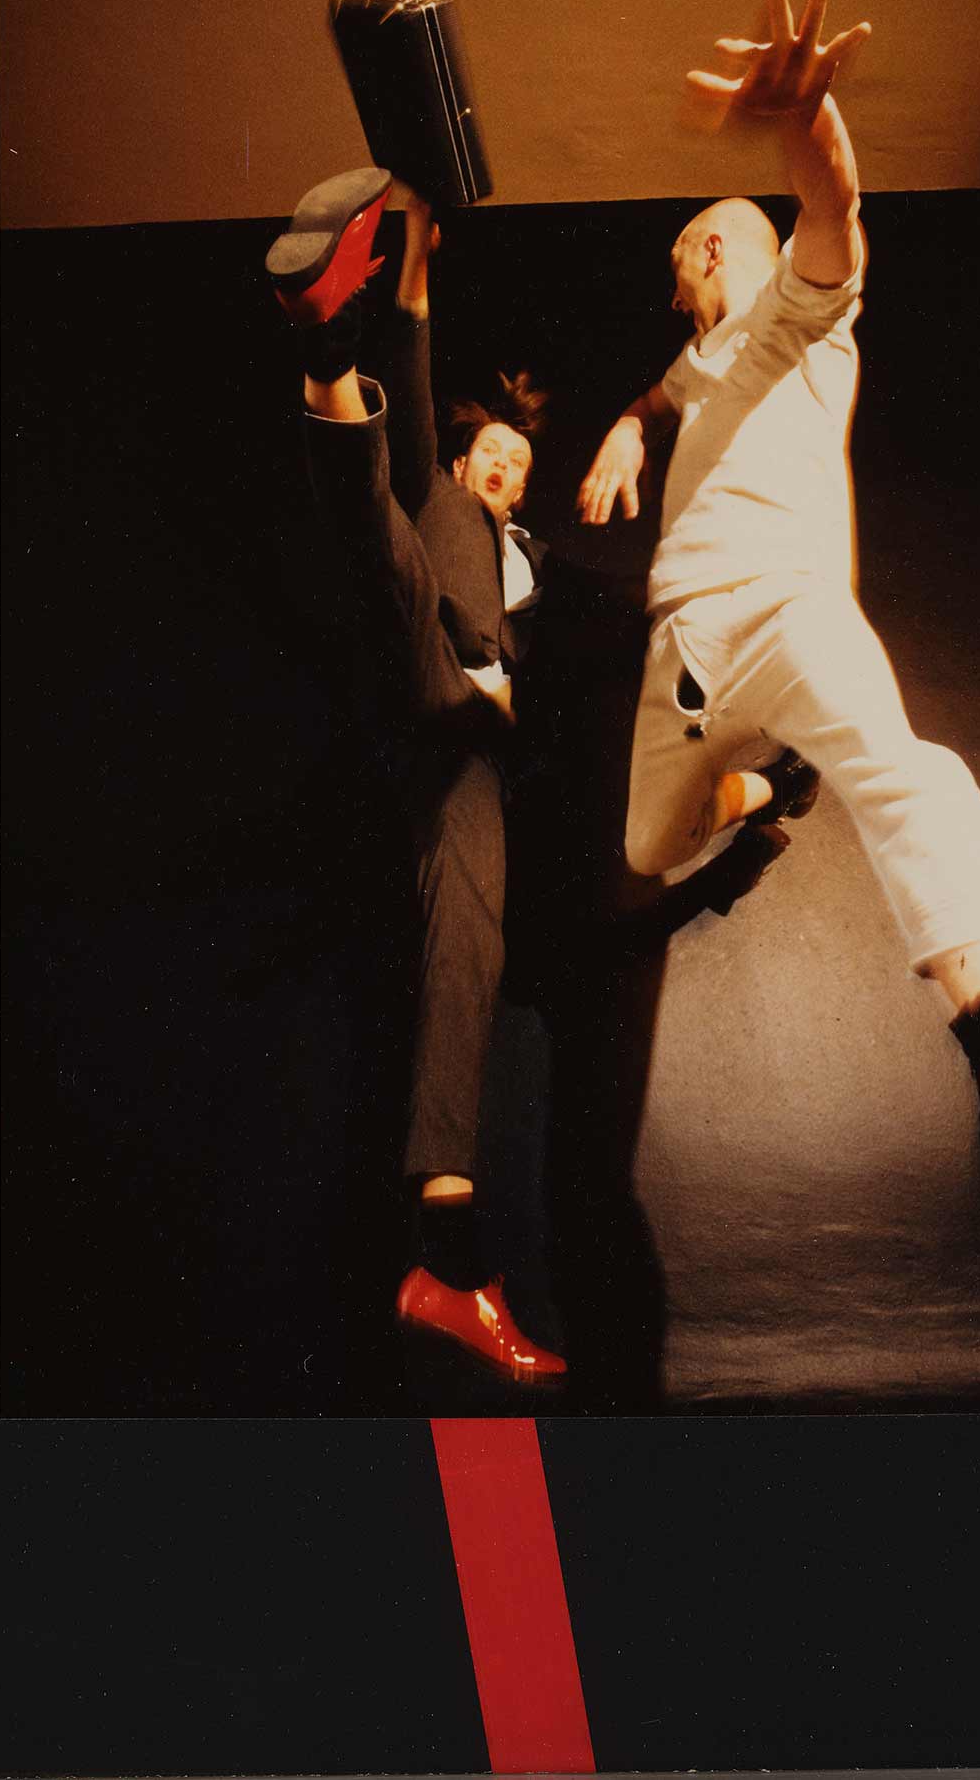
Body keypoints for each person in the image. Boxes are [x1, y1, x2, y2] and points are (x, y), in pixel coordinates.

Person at [577, 0, 980, 1344]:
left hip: (787, 611)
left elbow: (832, 209)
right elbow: (670, 381)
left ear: (720, 247)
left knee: (916, 778)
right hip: (681, 659)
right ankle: (767, 779)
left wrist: (807, 119)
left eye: (684, 258)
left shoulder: (803, 313)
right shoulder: (699, 364)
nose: (674, 283)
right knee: (644, 844)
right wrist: (628, 423)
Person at [266, 168, 567, 1383]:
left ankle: (448, 1258)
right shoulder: (442, 494)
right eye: (489, 448)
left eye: (515, 462)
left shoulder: (532, 563)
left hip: (474, 751)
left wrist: (515, 703)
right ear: (465, 449)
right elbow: (424, 367)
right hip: (417, 677)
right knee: (386, 552)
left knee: (468, 950)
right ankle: (330, 346)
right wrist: (417, 248)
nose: (499, 466)